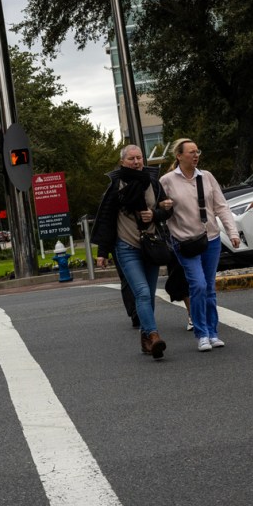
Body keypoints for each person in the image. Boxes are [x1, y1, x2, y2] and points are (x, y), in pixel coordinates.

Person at [92, 144, 174, 360]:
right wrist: (102, 252)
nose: (137, 162)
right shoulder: (116, 185)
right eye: (131, 159)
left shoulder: (153, 182)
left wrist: (155, 214)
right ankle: (154, 336)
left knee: (149, 295)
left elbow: (167, 211)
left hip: (151, 245)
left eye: (139, 158)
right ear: (122, 162)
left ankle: (146, 339)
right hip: (126, 247)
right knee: (142, 293)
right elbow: (107, 219)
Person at [160, 138, 240, 353]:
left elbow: (221, 207)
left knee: (209, 288)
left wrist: (232, 232)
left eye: (198, 151)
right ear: (179, 156)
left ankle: (213, 333)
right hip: (184, 241)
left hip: (210, 238)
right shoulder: (167, 180)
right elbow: (158, 209)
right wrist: (163, 206)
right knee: (198, 285)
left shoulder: (207, 177)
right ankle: (201, 334)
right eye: (191, 152)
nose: (196, 155)